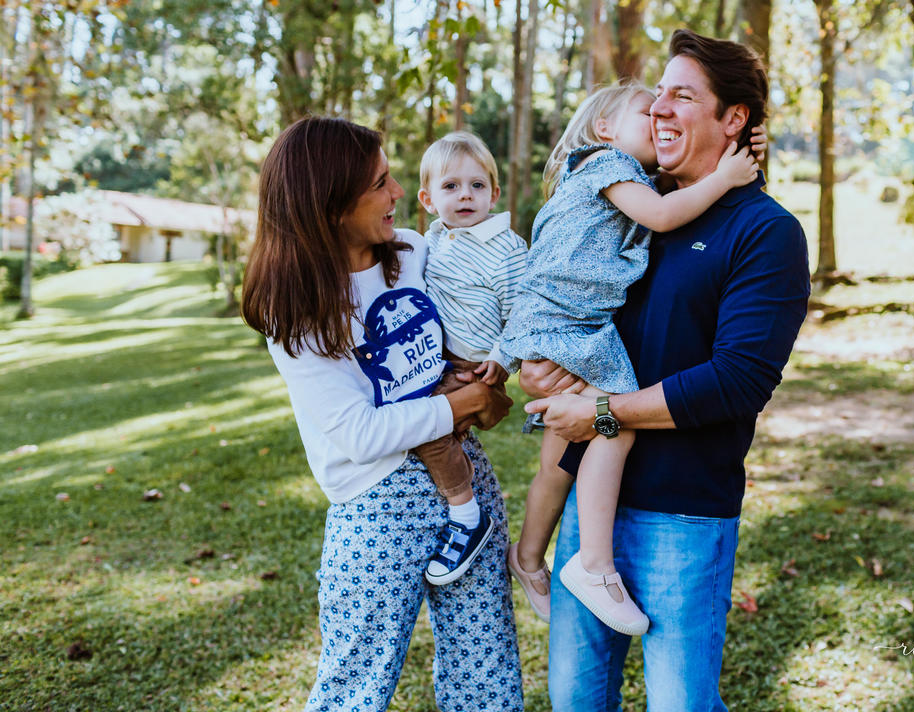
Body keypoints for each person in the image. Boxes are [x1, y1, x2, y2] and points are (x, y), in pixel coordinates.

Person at [522, 30, 810, 710]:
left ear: (734, 119)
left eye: (682, 96)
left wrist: (600, 412)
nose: (659, 108)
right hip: (587, 509)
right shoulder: (628, 206)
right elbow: (567, 290)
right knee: (574, 702)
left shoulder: (765, 232)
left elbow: (738, 380)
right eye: (657, 95)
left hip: (683, 514)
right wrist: (544, 366)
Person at [241, 117, 524, 711]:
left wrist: (485, 387)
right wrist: (458, 406)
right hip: (375, 504)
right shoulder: (295, 312)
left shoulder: (417, 253)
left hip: (464, 481)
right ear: (332, 203)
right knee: (353, 688)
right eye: (381, 182)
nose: (399, 192)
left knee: (486, 674)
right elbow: (358, 433)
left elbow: (479, 351)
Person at [499, 81, 760, 636]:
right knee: (614, 426)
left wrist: (742, 149)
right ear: (605, 130)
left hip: (553, 318)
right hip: (574, 326)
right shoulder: (607, 166)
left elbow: (682, 174)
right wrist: (724, 176)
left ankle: (526, 557)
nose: (661, 116)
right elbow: (666, 214)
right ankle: (593, 565)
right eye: (648, 111)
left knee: (558, 456)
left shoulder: (605, 173)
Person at [413, 131, 529, 586]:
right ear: (428, 199)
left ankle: (465, 514)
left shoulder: (505, 248)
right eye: (451, 186)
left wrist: (504, 359)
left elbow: (524, 311)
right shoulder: (433, 239)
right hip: (436, 360)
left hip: (475, 365)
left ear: (494, 193)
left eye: (477, 186)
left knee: (428, 429)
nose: (465, 195)